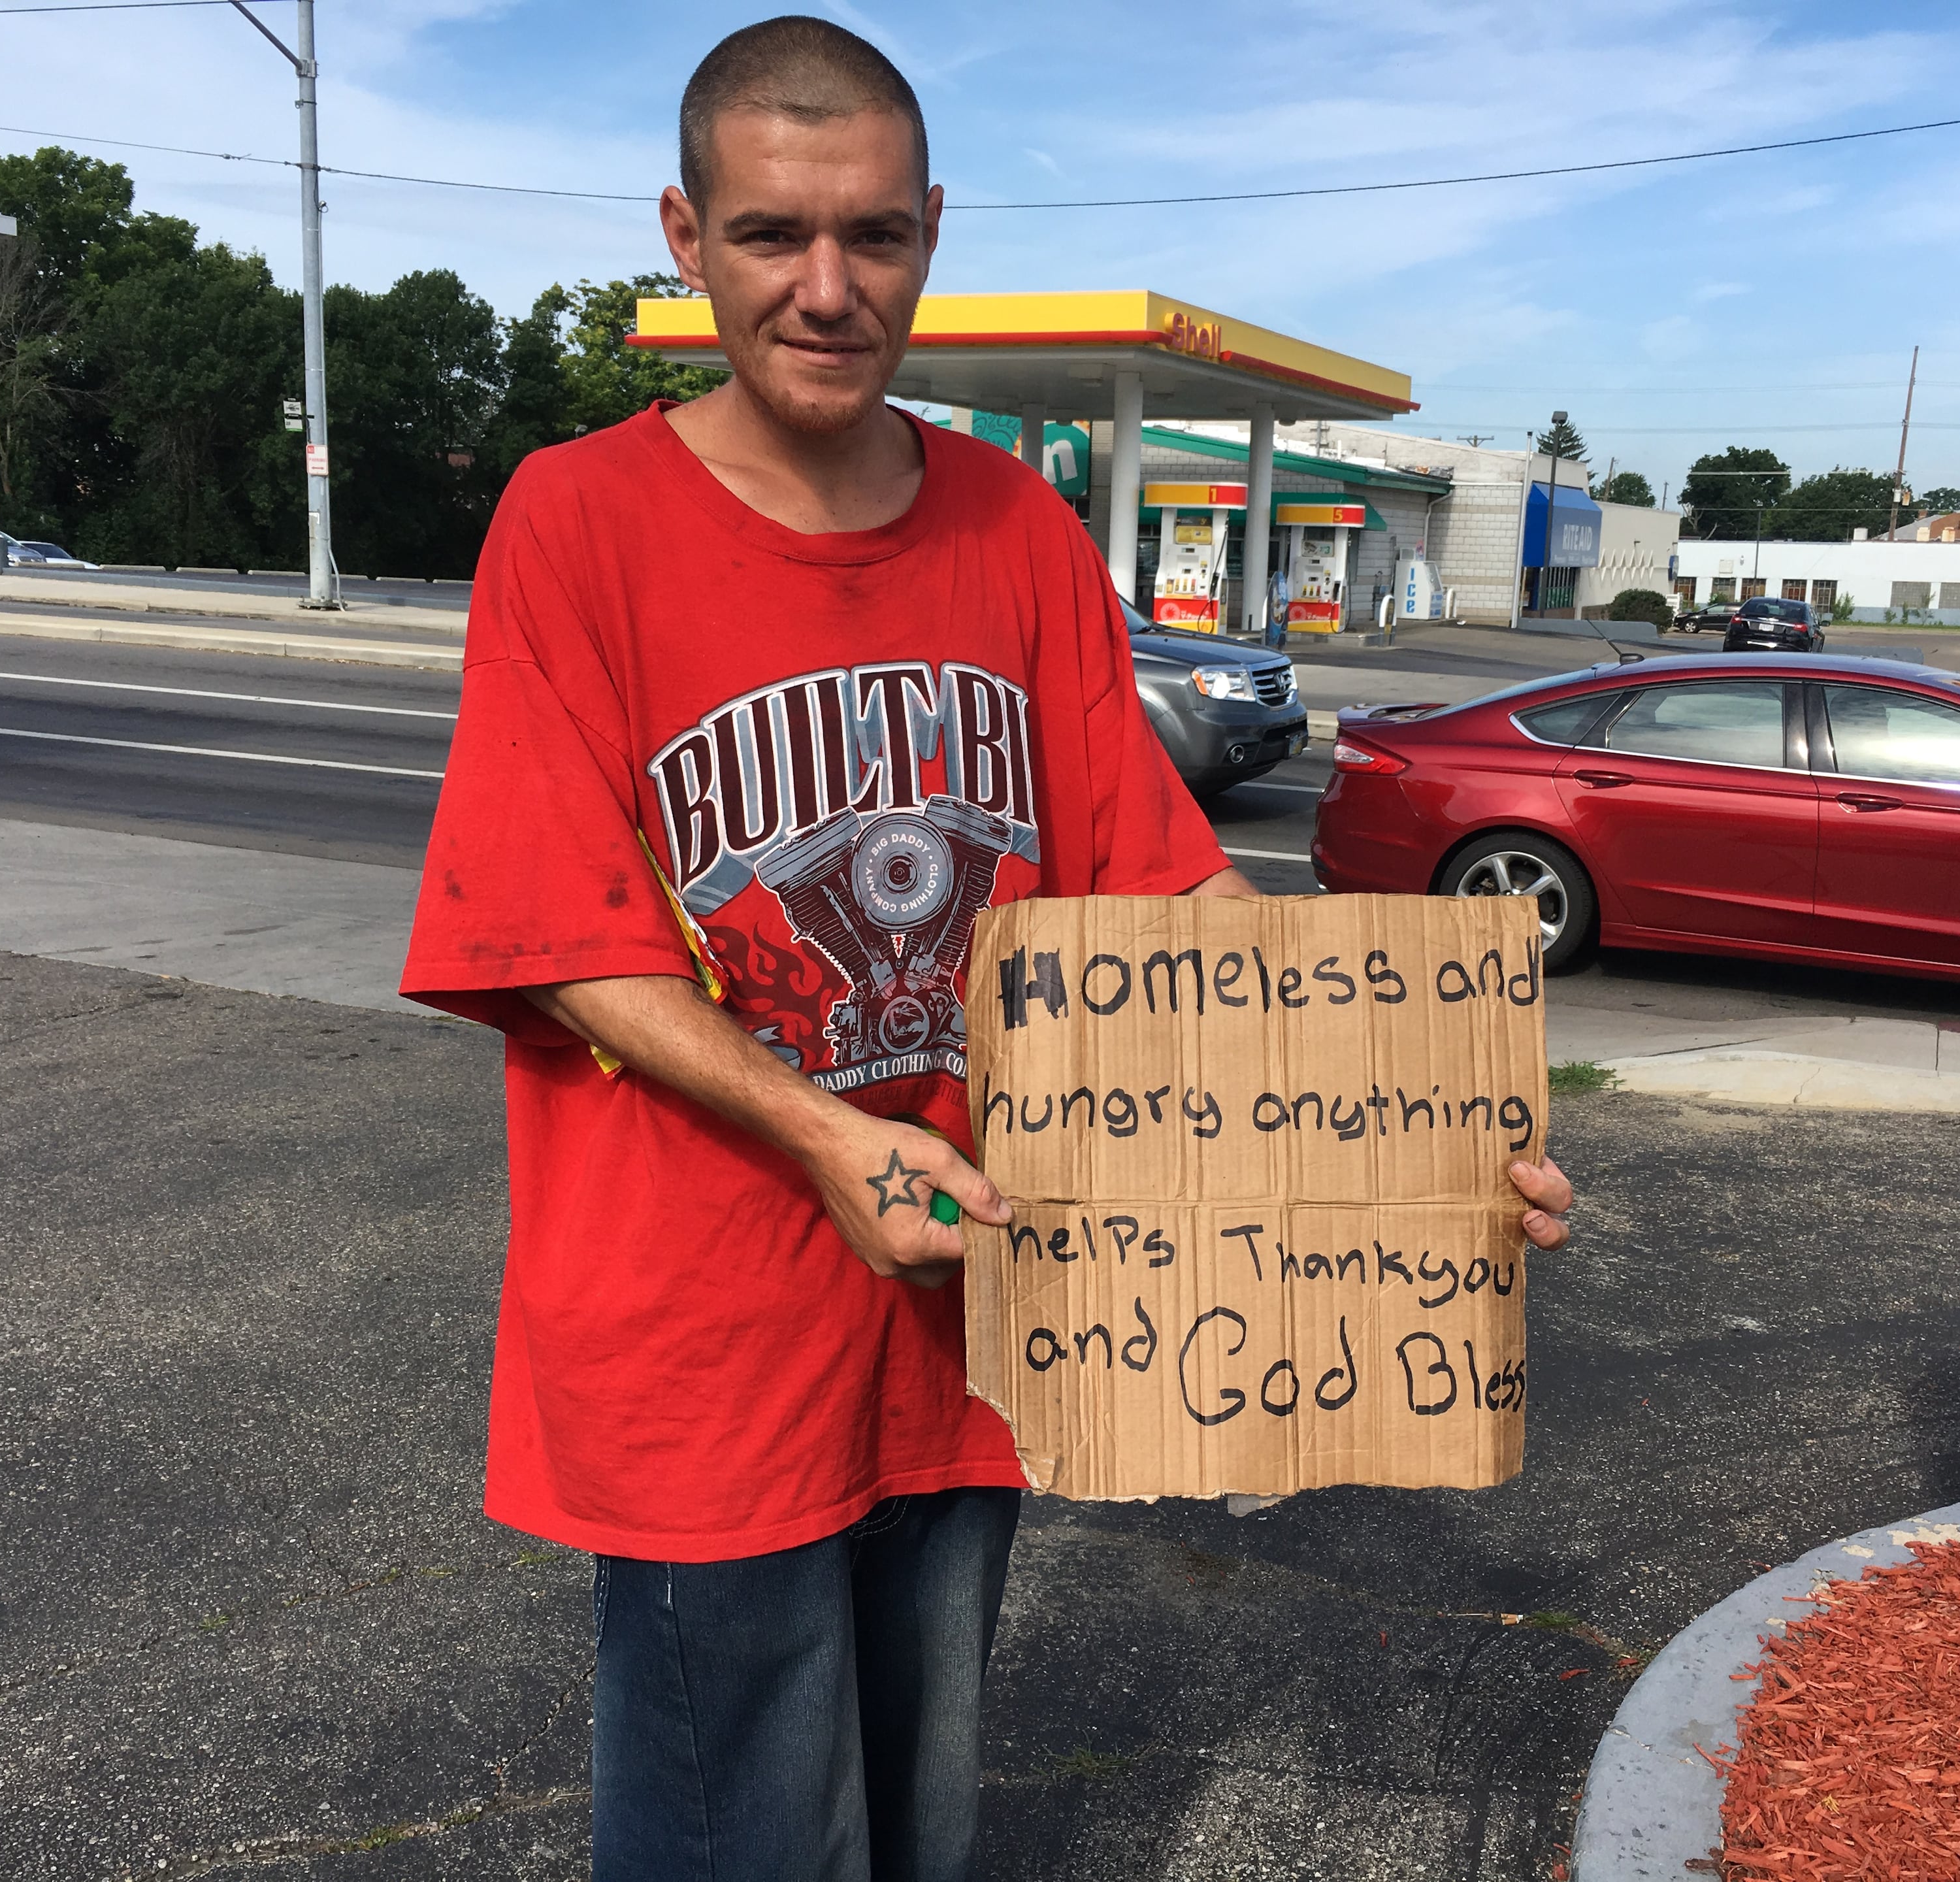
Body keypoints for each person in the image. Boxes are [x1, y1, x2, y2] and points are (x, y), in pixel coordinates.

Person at [399, 18, 1575, 1881]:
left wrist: (1412, 1136)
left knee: (923, 1829)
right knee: (736, 1842)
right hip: (701, 1343)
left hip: (980, 1316)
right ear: (684, 237)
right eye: (775, 234)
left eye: (873, 235)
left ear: (933, 231)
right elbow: (557, 943)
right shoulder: (578, 523)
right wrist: (831, 1140)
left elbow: (1174, 901)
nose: (827, 286)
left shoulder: (1016, 529)